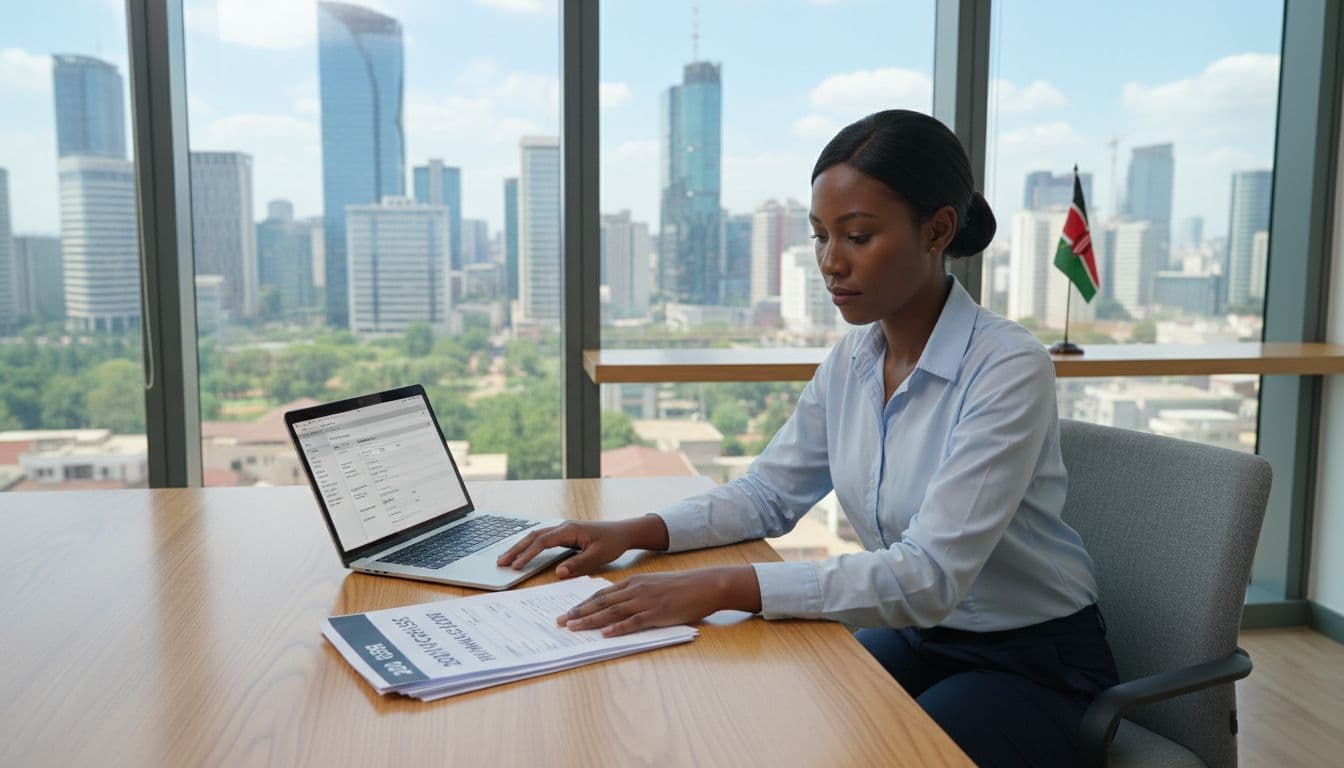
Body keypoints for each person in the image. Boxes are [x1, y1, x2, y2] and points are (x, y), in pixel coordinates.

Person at [498, 109, 1119, 766]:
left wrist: (720, 587)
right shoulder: (853, 360)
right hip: (917, 636)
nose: (830, 262)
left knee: (888, 753)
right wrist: (635, 530)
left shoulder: (1006, 366)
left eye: (857, 236)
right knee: (777, 722)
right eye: (821, 236)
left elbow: (930, 576)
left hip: (1032, 663)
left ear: (937, 230)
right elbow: (769, 495)